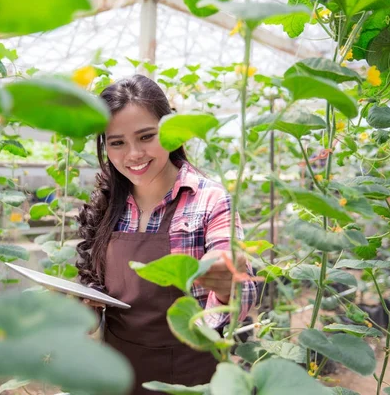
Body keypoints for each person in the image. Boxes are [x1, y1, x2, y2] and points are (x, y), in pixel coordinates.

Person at [76, 74, 256, 395]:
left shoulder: (209, 199)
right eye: (117, 142)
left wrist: (228, 282)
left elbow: (237, 284)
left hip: (191, 375)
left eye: (146, 137)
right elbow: (99, 292)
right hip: (119, 372)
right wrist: (87, 306)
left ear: (171, 131)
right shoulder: (107, 206)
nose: (133, 154)